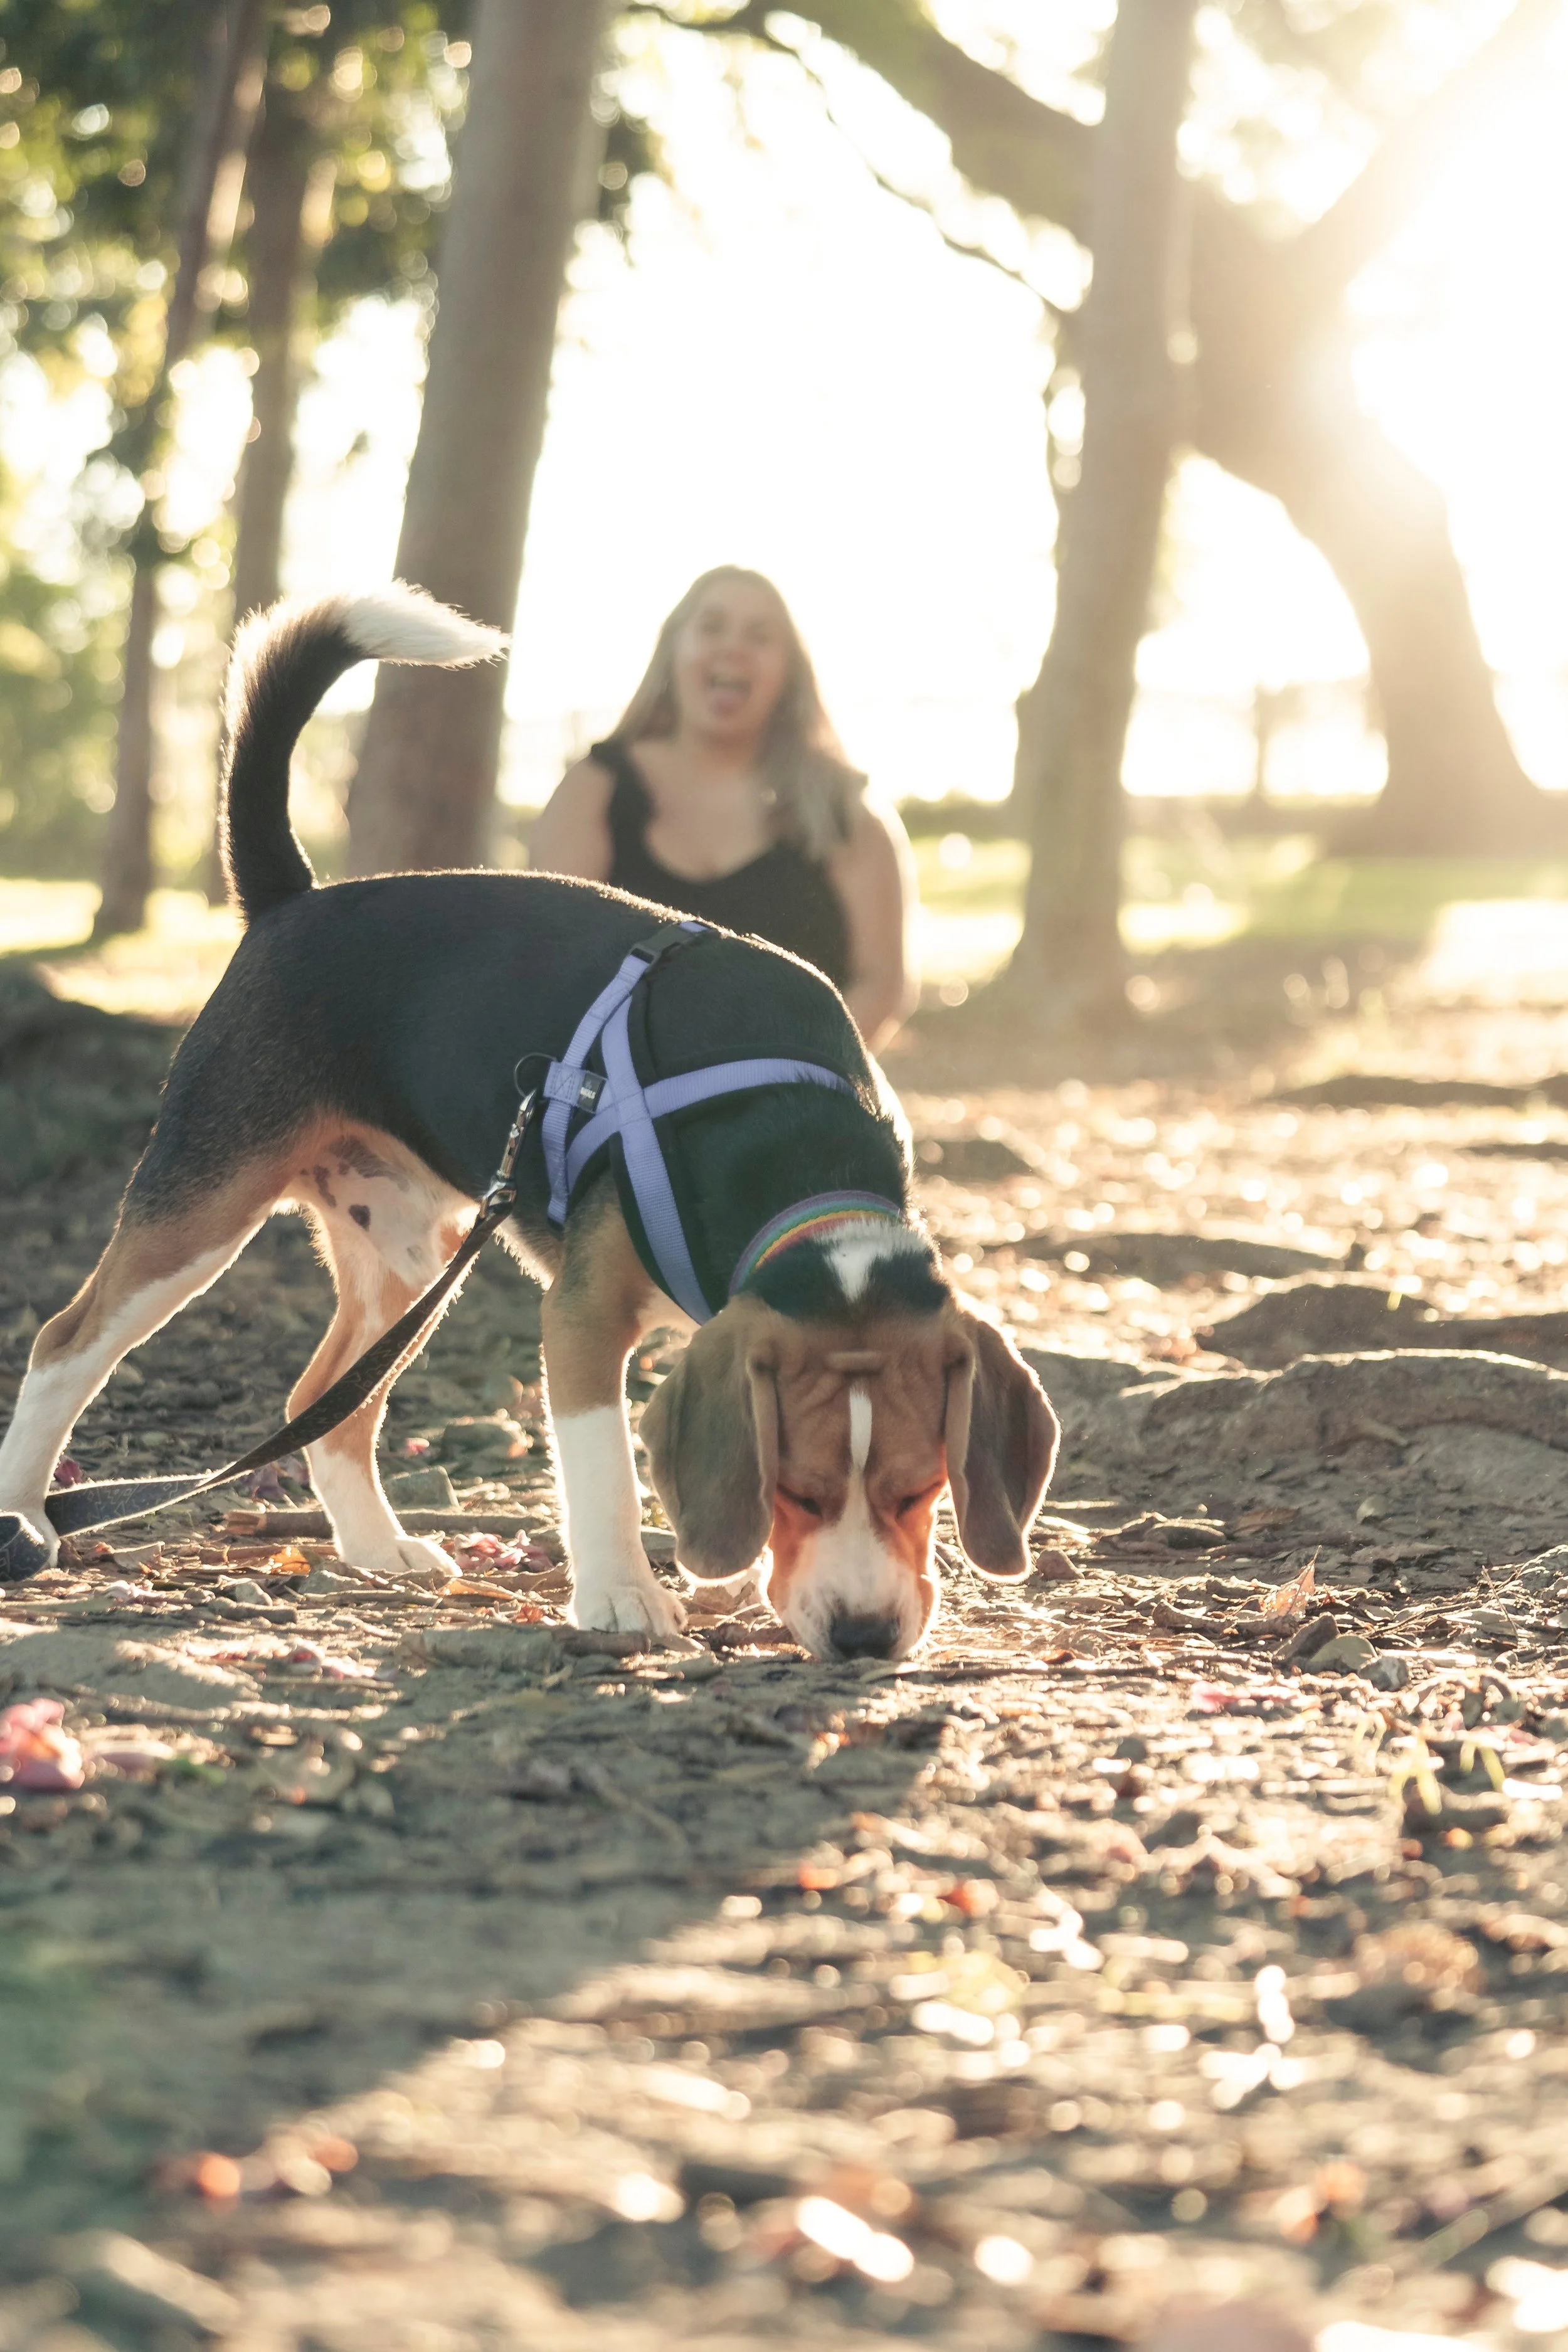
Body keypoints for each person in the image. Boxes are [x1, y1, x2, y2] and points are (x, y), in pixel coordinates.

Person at [529, 566, 918, 1049]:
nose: (734, 649)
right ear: (674, 649)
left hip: (801, 1085)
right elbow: (552, 959)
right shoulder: (594, 789)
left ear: (789, 671)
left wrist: (795, 1071)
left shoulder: (845, 810)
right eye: (712, 627)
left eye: (760, 636)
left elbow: (883, 982)